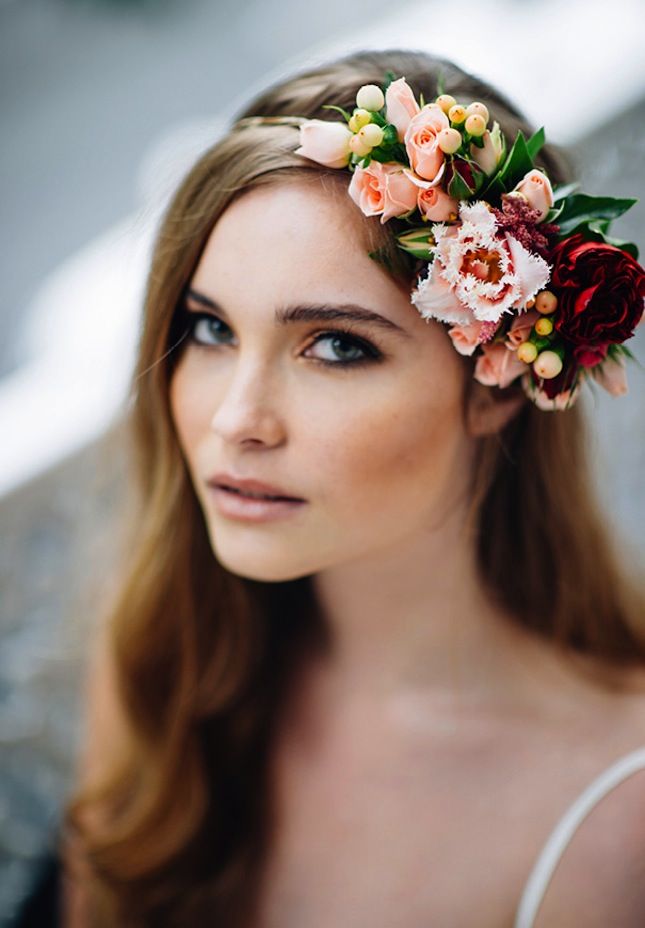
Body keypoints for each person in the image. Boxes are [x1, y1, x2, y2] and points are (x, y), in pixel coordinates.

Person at [59, 48, 645, 927]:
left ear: (491, 387)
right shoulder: (165, 654)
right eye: (209, 328)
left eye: (335, 345)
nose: (235, 420)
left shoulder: (614, 826)